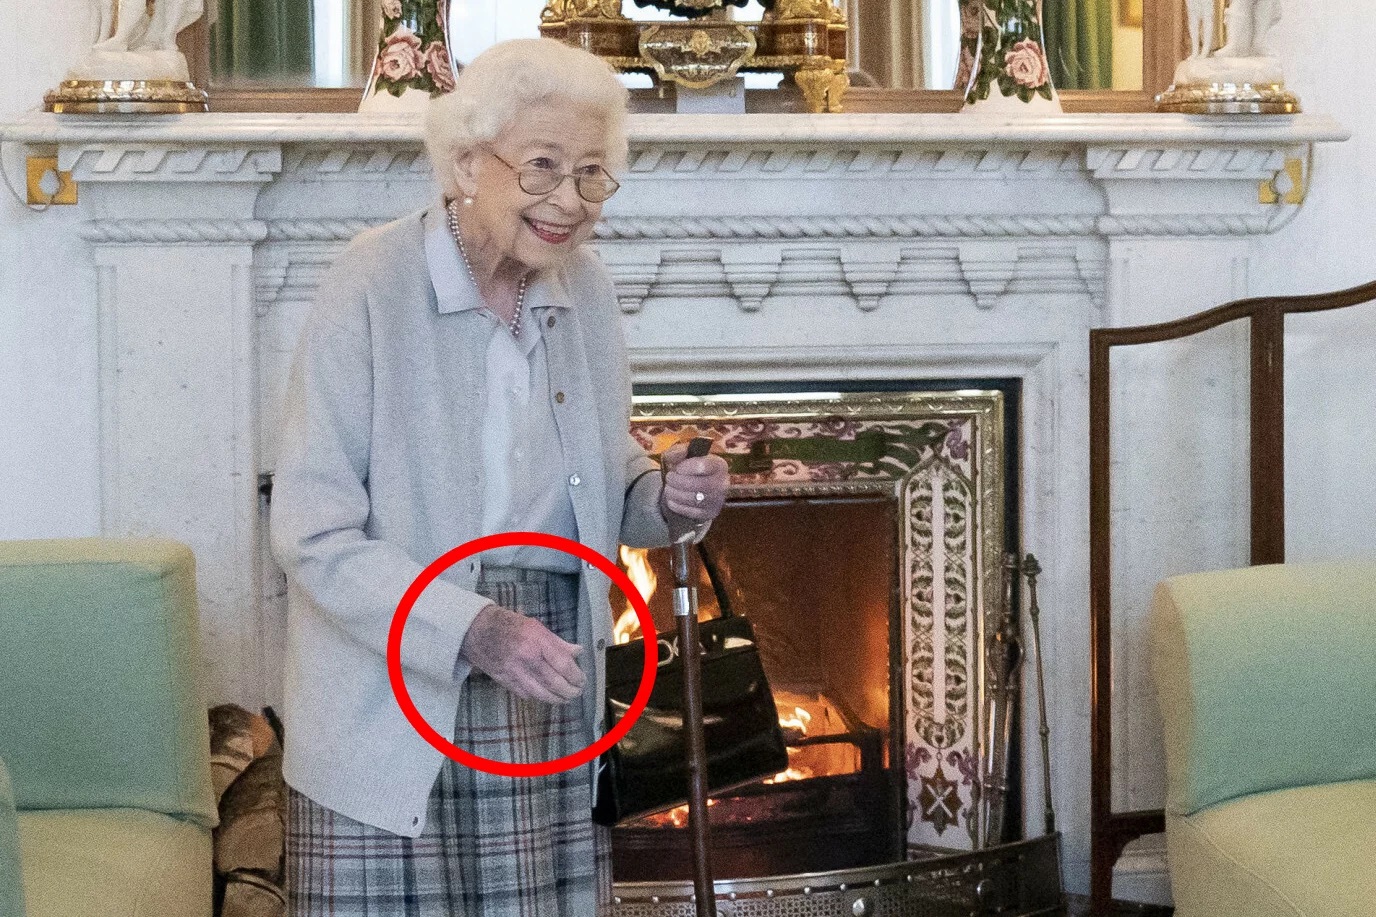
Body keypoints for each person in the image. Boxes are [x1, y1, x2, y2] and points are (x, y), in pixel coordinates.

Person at [270, 37, 730, 917]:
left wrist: (665, 497)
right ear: (466, 163)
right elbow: (311, 531)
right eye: (543, 166)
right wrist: (472, 626)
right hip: (394, 684)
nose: (570, 199)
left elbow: (604, 477)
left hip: (545, 672)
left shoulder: (585, 291)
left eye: (591, 173)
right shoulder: (371, 281)